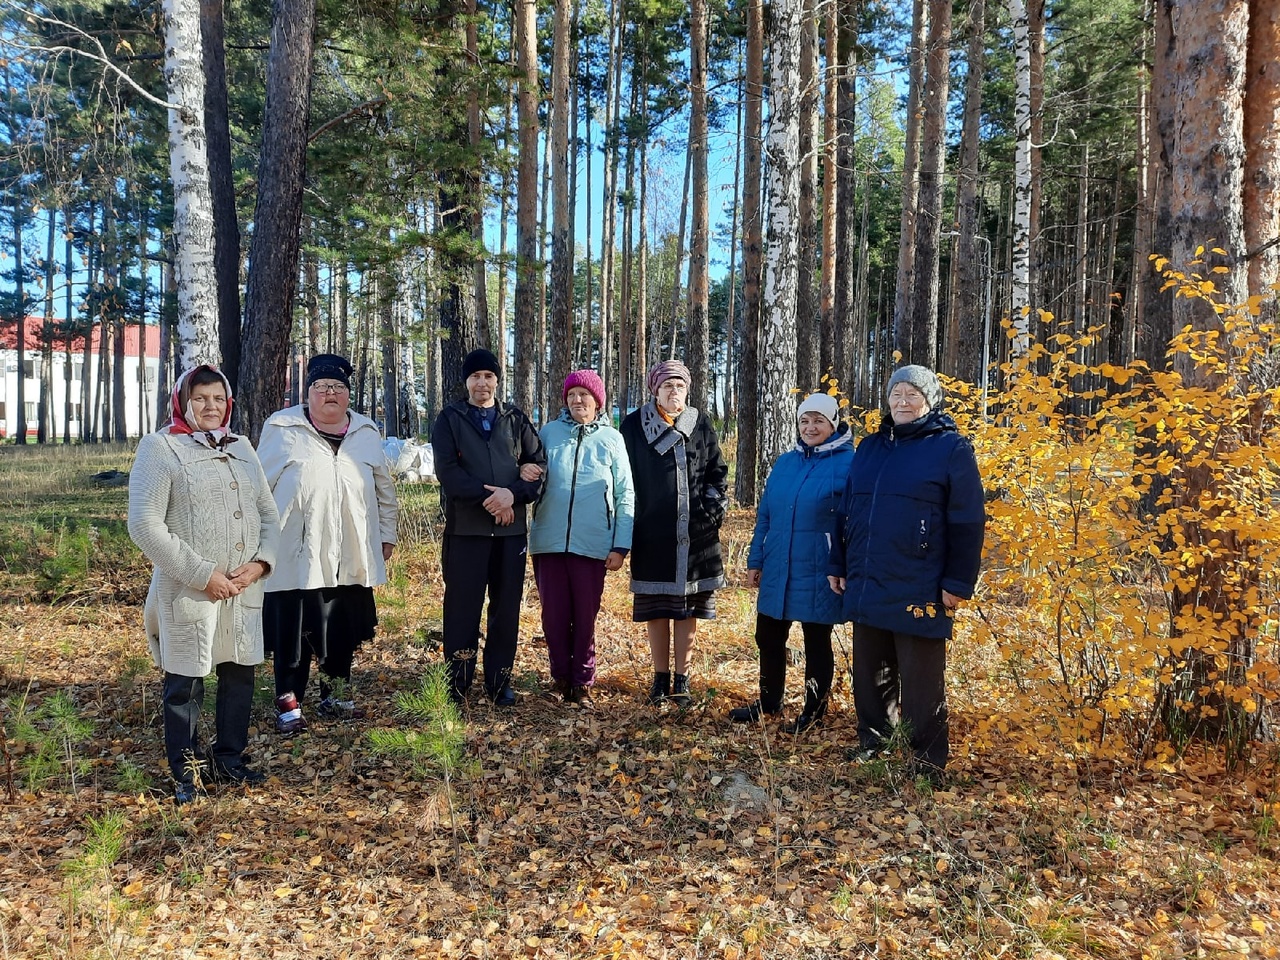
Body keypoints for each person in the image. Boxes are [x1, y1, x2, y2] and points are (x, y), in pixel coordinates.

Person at [128, 365, 280, 804]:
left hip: (243, 590)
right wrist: (202, 574)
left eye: (217, 399)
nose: (210, 407)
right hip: (189, 590)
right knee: (185, 683)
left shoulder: (243, 446)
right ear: (183, 402)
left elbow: (268, 515)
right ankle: (187, 773)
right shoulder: (161, 448)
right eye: (200, 399)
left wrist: (260, 565)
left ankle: (230, 760)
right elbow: (144, 524)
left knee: (239, 676)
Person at [828, 364, 985, 782]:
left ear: (930, 401)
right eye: (896, 393)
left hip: (921, 583)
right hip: (867, 577)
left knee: (921, 681)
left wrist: (957, 582)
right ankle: (874, 742)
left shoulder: (951, 448)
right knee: (870, 672)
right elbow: (848, 511)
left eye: (912, 394)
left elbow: (968, 521)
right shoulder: (871, 447)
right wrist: (838, 563)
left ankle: (927, 761)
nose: (902, 402)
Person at [258, 354, 399, 733]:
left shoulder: (366, 432)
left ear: (348, 394)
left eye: (338, 387)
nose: (330, 394)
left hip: (351, 549)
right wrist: (257, 543)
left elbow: (385, 492)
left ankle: (335, 693)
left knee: (342, 625)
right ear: (308, 394)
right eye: (321, 388)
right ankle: (289, 701)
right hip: (295, 552)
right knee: (294, 627)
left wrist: (387, 535)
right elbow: (260, 491)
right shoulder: (282, 428)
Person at [730, 392, 854, 733]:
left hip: (821, 567)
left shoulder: (848, 463)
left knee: (816, 639)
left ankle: (813, 712)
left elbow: (854, 521)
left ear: (832, 423)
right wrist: (756, 559)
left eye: (818, 421)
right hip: (778, 564)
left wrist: (843, 564)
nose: (810, 427)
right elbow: (766, 516)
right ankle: (769, 703)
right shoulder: (786, 462)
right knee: (767, 635)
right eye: (804, 420)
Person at [433, 348, 546, 707]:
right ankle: (458, 682)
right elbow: (449, 473)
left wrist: (512, 496)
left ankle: (499, 682)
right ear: (466, 381)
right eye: (475, 377)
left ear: (497, 380)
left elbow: (537, 466)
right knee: (462, 608)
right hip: (467, 532)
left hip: (510, 536)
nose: (482, 383)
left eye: (488, 376)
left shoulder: (515, 418)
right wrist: (495, 499)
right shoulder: (450, 419)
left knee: (505, 608)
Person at [620, 359, 728, 707]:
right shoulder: (635, 426)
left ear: (687, 389)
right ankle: (659, 677)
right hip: (652, 534)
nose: (674, 392)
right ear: (655, 389)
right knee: (658, 608)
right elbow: (624, 477)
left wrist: (711, 514)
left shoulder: (700, 425)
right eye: (667, 385)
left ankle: (682, 680)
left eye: (680, 386)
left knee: (687, 609)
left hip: (696, 537)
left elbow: (717, 473)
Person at [528, 370, 635, 708]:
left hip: (592, 544)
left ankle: (582, 682)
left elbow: (625, 493)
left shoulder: (612, 439)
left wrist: (620, 544)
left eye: (584, 396)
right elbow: (531, 476)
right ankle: (560, 678)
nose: (577, 401)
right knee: (553, 615)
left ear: (597, 401)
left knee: (585, 616)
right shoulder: (548, 433)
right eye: (572, 395)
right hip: (549, 539)